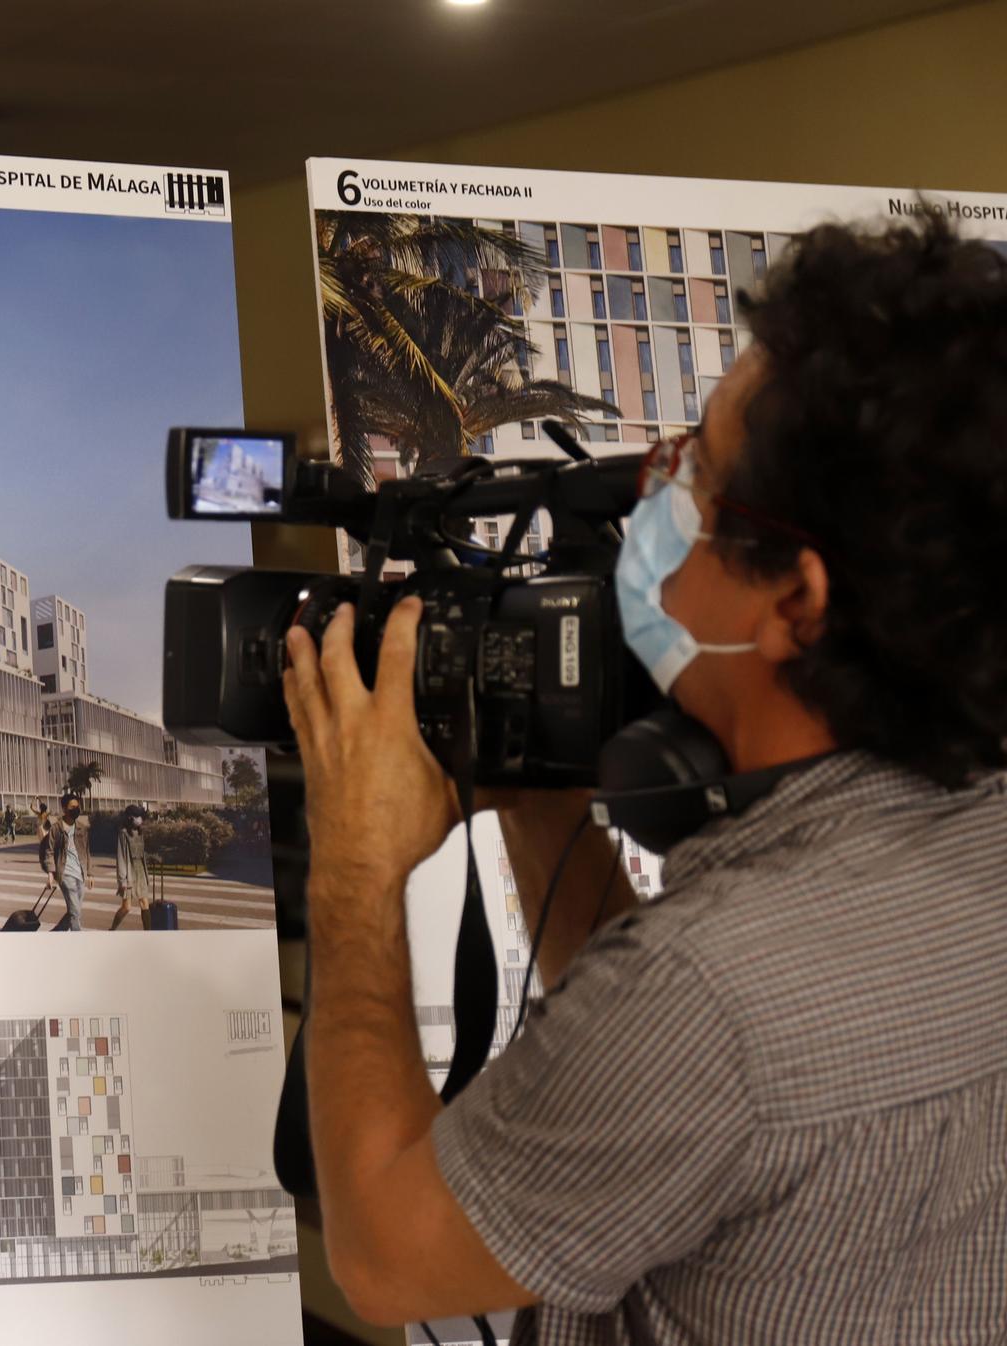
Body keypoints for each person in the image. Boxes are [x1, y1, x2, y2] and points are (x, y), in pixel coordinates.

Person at [280, 216, 1007, 1340]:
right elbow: (674, 1113)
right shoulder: (976, 838)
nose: (654, 491)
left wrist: (353, 871)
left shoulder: (707, 993)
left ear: (795, 601)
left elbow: (383, 1253)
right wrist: (537, 802)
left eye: (695, 473)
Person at [47, 793, 91, 930]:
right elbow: (49, 851)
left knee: (74, 911)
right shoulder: (56, 829)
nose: (76, 809)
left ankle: (56, 933)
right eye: (72, 807)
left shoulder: (82, 828)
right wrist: (50, 874)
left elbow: (86, 852)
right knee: (75, 913)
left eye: (77, 806)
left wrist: (89, 873)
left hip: (80, 873)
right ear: (64, 809)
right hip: (65, 873)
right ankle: (77, 943)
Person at [109, 804, 150, 930]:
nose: (140, 819)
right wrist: (122, 880)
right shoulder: (124, 834)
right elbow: (121, 857)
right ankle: (112, 929)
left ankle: (149, 933)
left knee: (144, 904)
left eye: (140, 816)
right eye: (137, 816)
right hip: (129, 872)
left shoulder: (140, 832)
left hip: (140, 871)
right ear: (130, 818)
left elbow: (141, 853)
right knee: (127, 907)